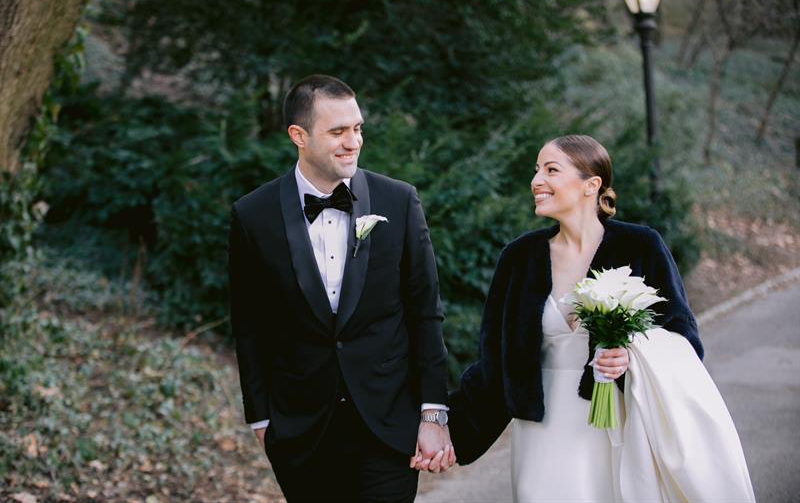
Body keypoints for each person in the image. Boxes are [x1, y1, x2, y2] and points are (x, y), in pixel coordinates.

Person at [228, 74, 455, 502]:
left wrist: (433, 412)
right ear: (299, 135)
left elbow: (425, 312)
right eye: (337, 131)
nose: (353, 142)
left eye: (358, 128)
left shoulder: (399, 202)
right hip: (301, 428)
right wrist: (260, 418)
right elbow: (250, 324)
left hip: (388, 423)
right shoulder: (252, 215)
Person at [447, 134, 705, 502]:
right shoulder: (519, 257)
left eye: (551, 169)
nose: (537, 180)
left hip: (617, 423)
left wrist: (633, 355)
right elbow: (494, 361)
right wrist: (446, 430)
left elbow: (684, 337)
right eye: (536, 170)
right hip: (541, 430)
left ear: (592, 185)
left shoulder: (641, 246)